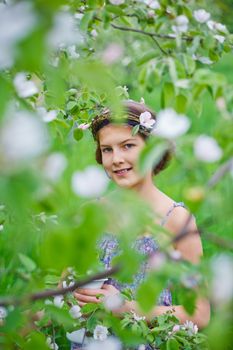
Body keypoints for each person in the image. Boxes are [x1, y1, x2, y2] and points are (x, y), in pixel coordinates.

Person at [72, 100, 210, 349]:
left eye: (128, 146)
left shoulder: (176, 219)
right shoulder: (91, 212)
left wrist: (125, 308)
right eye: (107, 150)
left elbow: (199, 313)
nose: (117, 159)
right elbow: (65, 285)